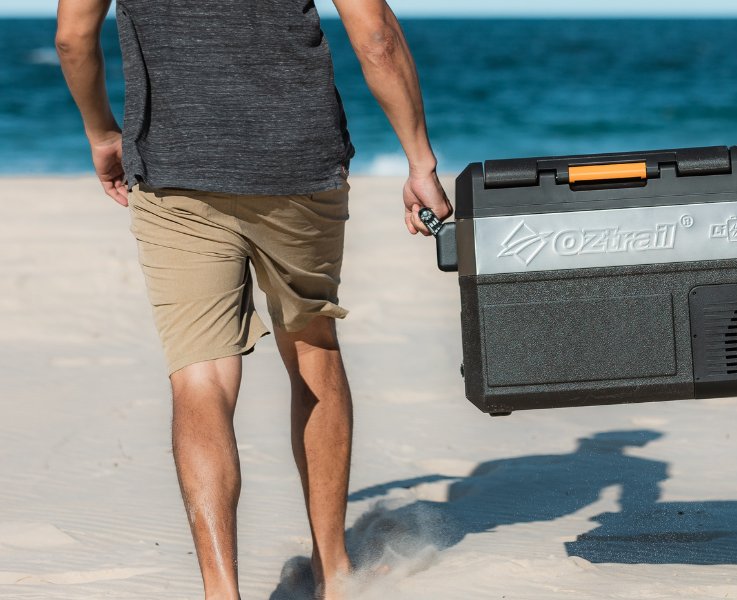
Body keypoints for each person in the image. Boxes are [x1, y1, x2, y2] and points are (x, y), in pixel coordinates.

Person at [55, 0, 452, 597]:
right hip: (299, 166)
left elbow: (72, 38)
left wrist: (101, 132)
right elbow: (377, 38)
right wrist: (420, 160)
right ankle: (333, 571)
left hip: (174, 169)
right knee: (312, 344)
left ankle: (222, 591)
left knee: (201, 377)